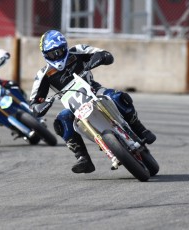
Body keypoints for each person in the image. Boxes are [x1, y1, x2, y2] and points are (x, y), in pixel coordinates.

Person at [30, 30, 156, 174]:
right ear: (45, 55)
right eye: (52, 54)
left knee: (117, 96)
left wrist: (99, 58)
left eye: (59, 51)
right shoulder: (43, 74)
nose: (57, 56)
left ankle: (140, 129)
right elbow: (34, 102)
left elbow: (105, 55)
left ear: (65, 47)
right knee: (61, 120)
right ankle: (82, 158)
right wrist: (40, 106)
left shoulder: (77, 51)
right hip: (73, 106)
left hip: (95, 91)